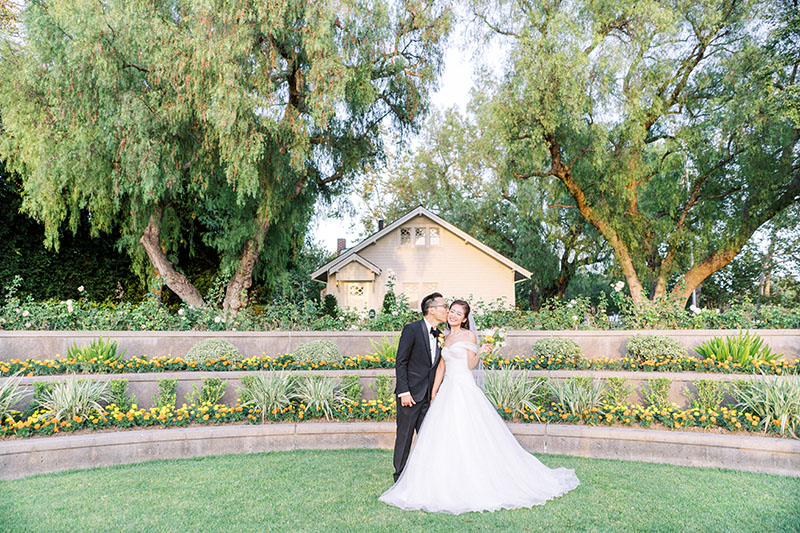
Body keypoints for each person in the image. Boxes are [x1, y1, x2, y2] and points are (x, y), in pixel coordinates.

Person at [380, 299, 580, 514]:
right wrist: (435, 391)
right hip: (446, 389)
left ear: (465, 318)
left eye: (458, 313)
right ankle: (432, 477)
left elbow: (469, 365)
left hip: (463, 388)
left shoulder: (468, 336)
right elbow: (441, 366)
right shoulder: (442, 336)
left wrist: (481, 351)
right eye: (451, 311)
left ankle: (473, 477)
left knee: (468, 433)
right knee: (442, 436)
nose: (453, 315)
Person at [391, 292, 450, 482]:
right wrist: (404, 392)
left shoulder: (441, 335)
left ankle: (426, 476)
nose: (447, 310)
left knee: (428, 437)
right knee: (405, 436)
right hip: (410, 394)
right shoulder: (412, 329)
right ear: (431, 310)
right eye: (444, 306)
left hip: (429, 397)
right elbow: (401, 362)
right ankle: (399, 476)